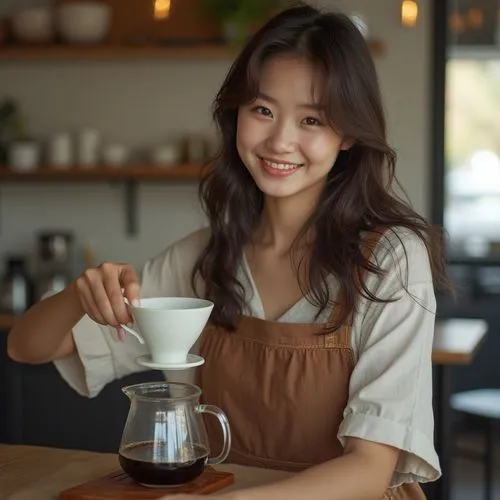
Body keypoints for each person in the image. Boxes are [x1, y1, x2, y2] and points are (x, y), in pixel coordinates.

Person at [7, 4, 450, 499]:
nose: (280, 140)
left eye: (312, 119)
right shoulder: (202, 259)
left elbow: (370, 470)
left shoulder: (391, 259)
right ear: (235, 113)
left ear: (347, 133)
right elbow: (26, 346)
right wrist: (79, 293)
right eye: (262, 110)